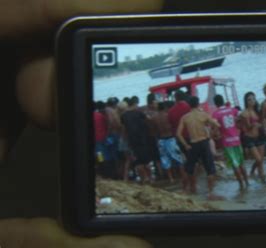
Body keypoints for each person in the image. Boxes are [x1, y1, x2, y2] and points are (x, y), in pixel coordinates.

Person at [0, 1, 163, 247]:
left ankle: (123, 181)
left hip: (99, 144)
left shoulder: (110, 111)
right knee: (122, 161)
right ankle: (128, 181)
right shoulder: (119, 113)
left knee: (115, 163)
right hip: (108, 142)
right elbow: (116, 126)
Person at [176, 96, 223, 200]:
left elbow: (178, 134)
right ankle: (210, 193)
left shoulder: (185, 117)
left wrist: (185, 145)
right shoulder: (204, 115)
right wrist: (211, 134)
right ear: (198, 104)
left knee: (189, 169)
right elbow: (218, 125)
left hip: (193, 144)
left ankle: (186, 190)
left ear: (189, 105)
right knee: (210, 169)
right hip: (204, 142)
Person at [212, 95, 249, 189]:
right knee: (241, 163)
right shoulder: (232, 110)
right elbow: (244, 115)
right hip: (236, 139)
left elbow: (215, 127)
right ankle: (247, 183)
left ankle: (241, 185)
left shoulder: (216, 114)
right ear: (223, 101)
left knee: (234, 164)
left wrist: (216, 134)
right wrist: (242, 125)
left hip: (227, 142)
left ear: (216, 104)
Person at [152, 101, 188, 188]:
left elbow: (154, 130)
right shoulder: (167, 115)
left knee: (165, 160)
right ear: (164, 108)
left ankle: (171, 178)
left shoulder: (154, 118)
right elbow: (172, 126)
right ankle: (183, 176)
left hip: (161, 140)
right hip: (170, 138)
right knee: (178, 159)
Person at [120, 97, 153, 183]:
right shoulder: (139, 113)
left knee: (138, 162)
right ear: (135, 104)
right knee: (146, 161)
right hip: (142, 139)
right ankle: (150, 178)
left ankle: (144, 178)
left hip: (132, 141)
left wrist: (125, 140)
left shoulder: (123, 116)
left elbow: (123, 131)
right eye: (137, 104)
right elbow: (149, 120)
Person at [240, 92, 266, 183]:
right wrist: (255, 124)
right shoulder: (245, 113)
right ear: (246, 101)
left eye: (253, 99)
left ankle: (263, 182)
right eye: (249, 100)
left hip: (259, 137)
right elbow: (247, 127)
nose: (252, 101)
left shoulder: (258, 111)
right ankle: (251, 171)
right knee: (258, 159)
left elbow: (263, 122)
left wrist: (263, 127)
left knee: (261, 162)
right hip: (249, 138)